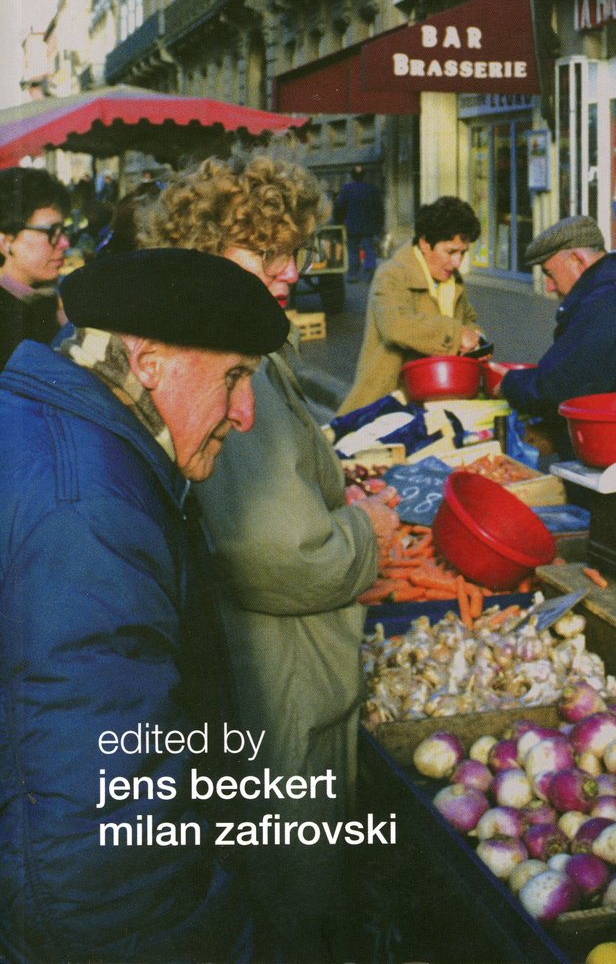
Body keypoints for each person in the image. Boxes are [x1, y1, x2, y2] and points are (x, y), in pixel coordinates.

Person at [0, 248, 289, 964]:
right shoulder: (92, 513)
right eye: (233, 377)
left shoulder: (48, 423)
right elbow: (100, 829)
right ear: (150, 363)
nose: (245, 413)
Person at [141, 154, 393, 962]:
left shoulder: (245, 333)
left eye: (296, 250)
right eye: (265, 254)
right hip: (276, 666)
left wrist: (327, 480)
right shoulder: (216, 349)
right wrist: (368, 534)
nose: (291, 270)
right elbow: (273, 550)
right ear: (207, 254)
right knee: (294, 872)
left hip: (282, 657)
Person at [495, 214, 616, 454]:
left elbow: (561, 386)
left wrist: (508, 385)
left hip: (614, 450)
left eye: (550, 273)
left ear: (578, 259)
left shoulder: (605, 303)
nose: (550, 286)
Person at [339, 194, 483, 414]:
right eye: (450, 251)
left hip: (438, 394)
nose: (457, 262)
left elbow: (468, 320)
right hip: (389, 401)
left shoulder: (453, 280)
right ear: (425, 243)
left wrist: (477, 341)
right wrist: (457, 335)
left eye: (463, 253)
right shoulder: (392, 274)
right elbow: (396, 326)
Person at [0, 167, 71, 369]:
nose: (64, 243)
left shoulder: (48, 298)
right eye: (52, 232)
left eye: (63, 231)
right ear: (6, 242)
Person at [334, 163, 384, 281]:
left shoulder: (346, 189)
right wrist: (379, 225)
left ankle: (353, 274)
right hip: (368, 225)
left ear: (352, 176)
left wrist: (338, 222)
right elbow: (379, 208)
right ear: (363, 176)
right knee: (369, 247)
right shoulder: (371, 189)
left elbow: (340, 207)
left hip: (352, 225)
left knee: (353, 250)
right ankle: (370, 268)